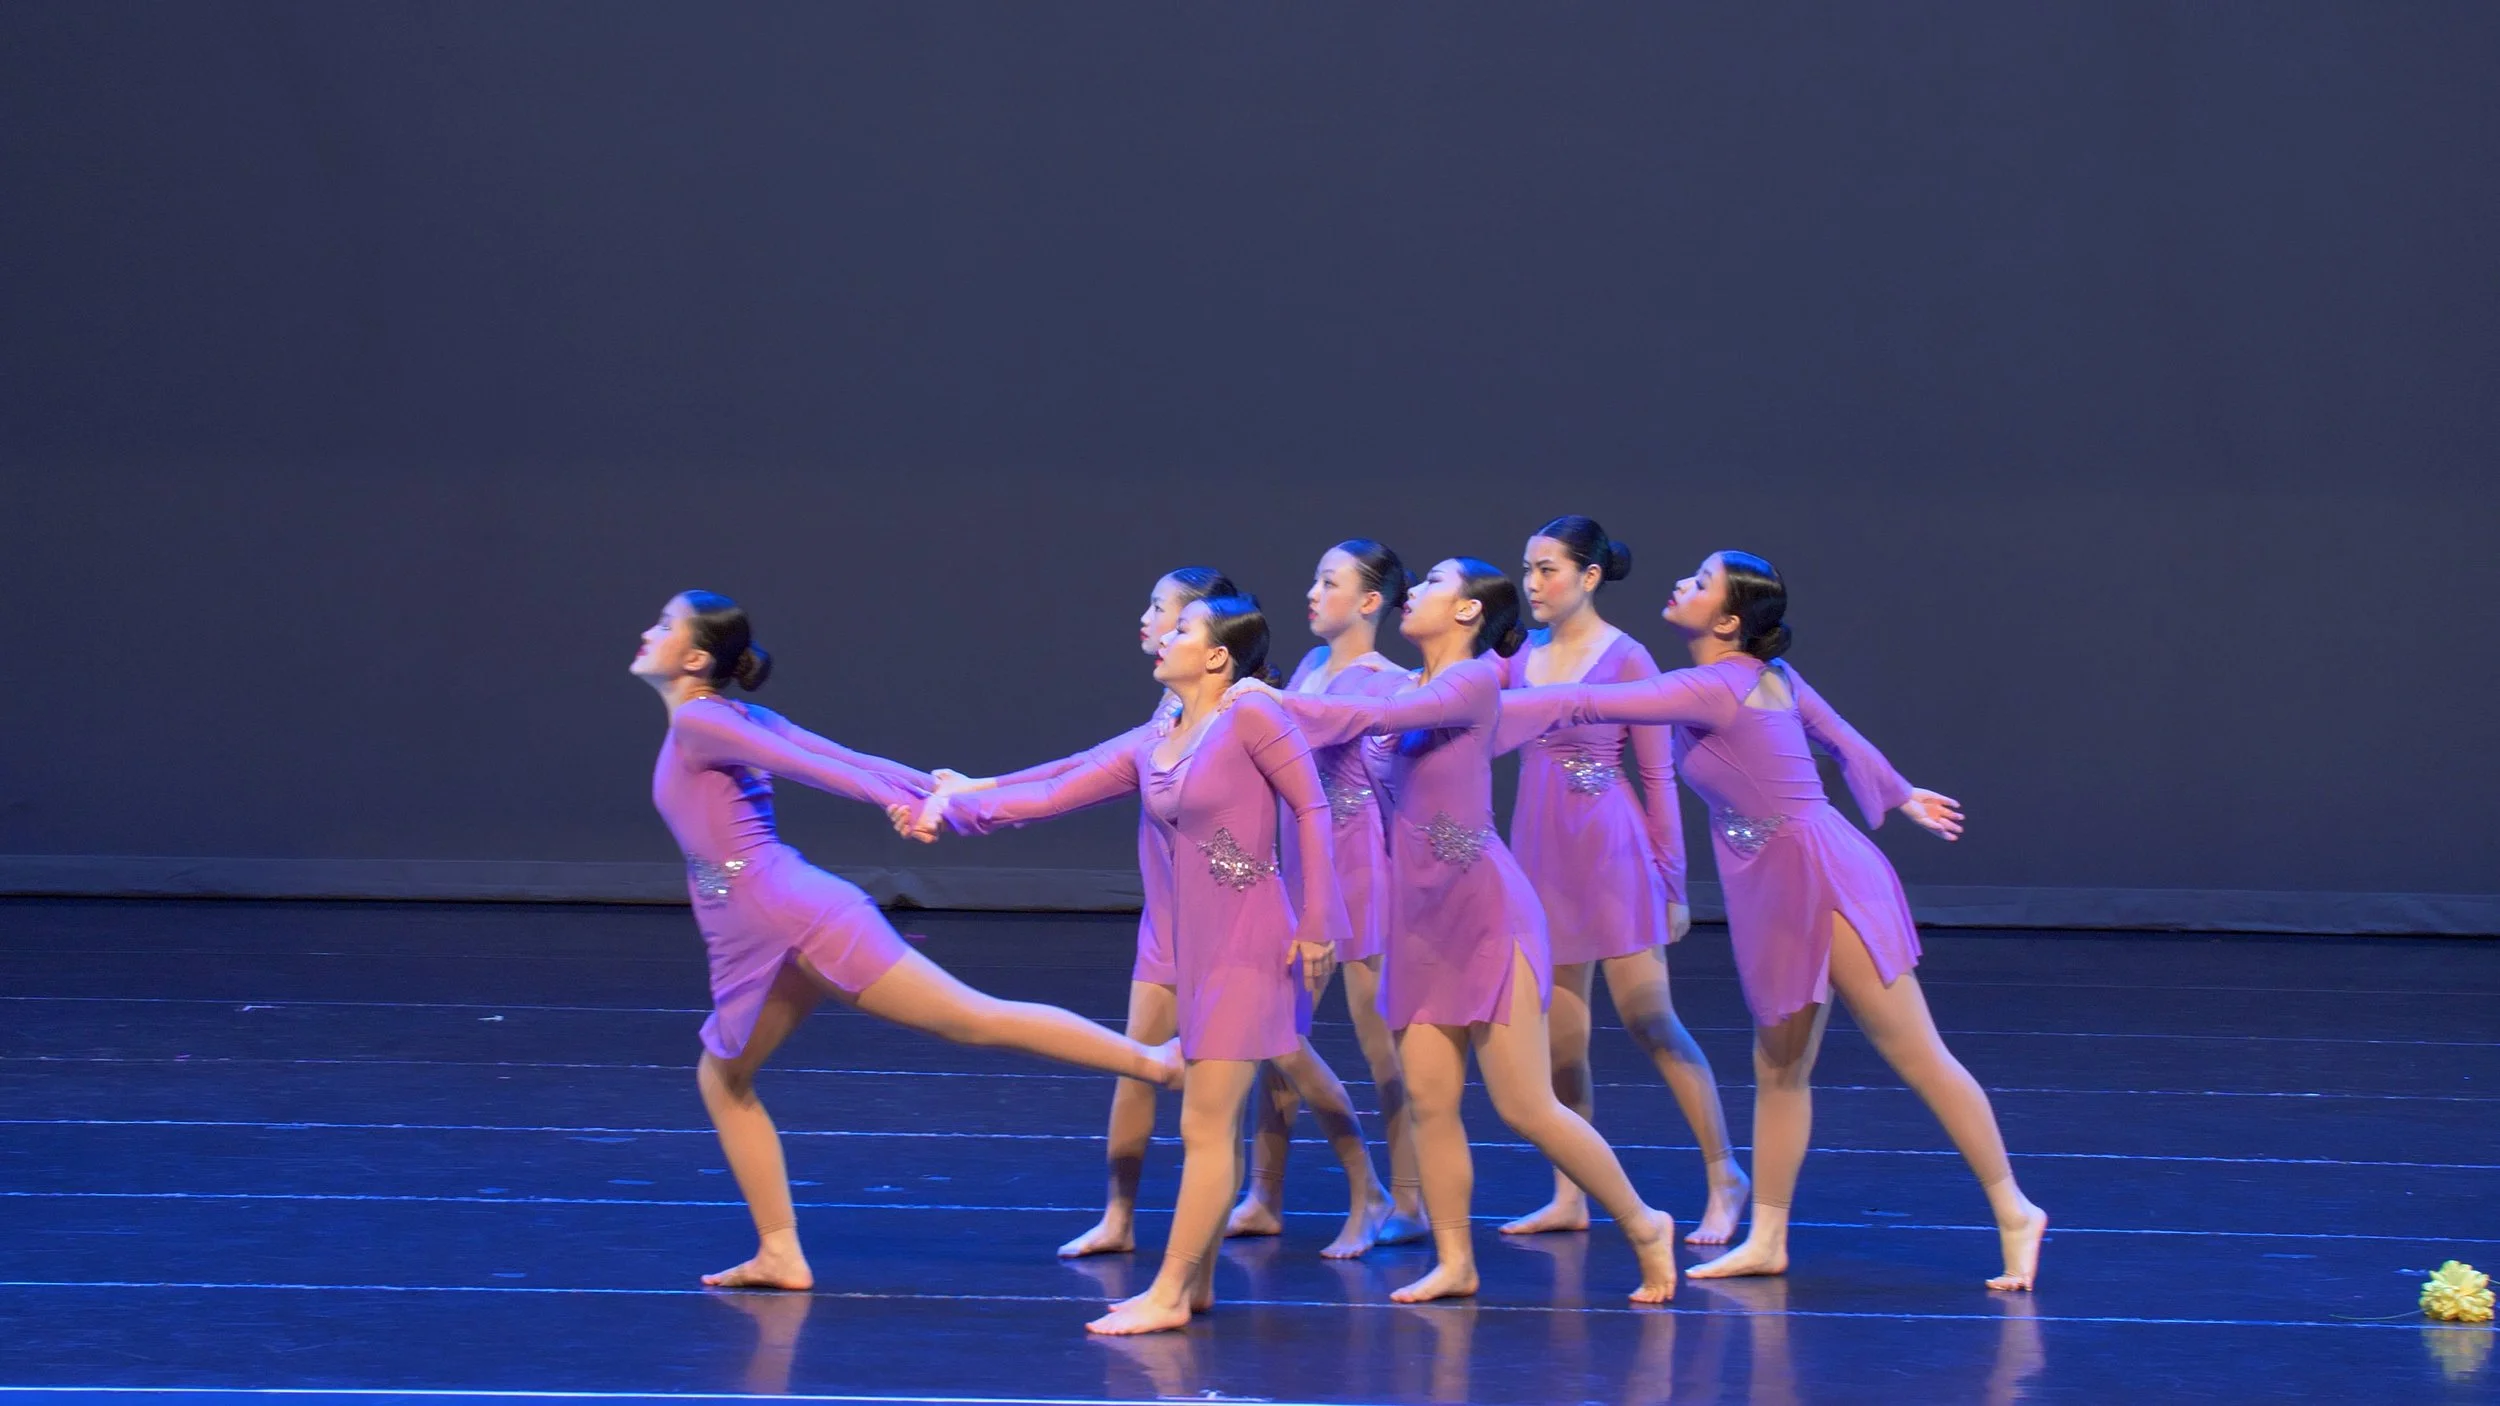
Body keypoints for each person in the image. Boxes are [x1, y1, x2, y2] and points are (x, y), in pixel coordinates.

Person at [1499, 551, 2047, 1291]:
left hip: (1822, 878)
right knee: (1780, 1068)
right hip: (1771, 886)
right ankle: (1767, 1237)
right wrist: (1899, 791)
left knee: (1915, 1052)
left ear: (1727, 621)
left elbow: (1584, 704)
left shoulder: (1715, 685)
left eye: (1700, 582)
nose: (1681, 584)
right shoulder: (1769, 675)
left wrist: (1460, 709)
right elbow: (1841, 737)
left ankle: (2015, 1210)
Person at [631, 590, 1182, 1292]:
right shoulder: (727, 719)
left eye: (664, 625)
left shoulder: (701, 721)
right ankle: (778, 1253)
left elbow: (821, 766)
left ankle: (1159, 1062)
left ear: (695, 658)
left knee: (972, 1018)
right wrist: (931, 791)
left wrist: (913, 798)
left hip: (789, 916)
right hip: (758, 924)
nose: (648, 632)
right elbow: (840, 755)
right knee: (723, 1077)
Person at [1229, 559, 1681, 1305]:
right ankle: (1455, 1260)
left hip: (1487, 915)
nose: (1415, 592)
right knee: (1431, 1100)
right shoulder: (1409, 686)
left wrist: (1271, 698)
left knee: (1524, 1104)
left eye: (1434, 583)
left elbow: (1375, 719)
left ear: (1469, 611)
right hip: (1417, 922)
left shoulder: (1470, 683)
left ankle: (1642, 1222)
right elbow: (1352, 727)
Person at [906, 595, 1348, 1333]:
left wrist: (1319, 923)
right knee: (1206, 1124)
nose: (1165, 635)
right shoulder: (1161, 735)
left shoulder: (1252, 715)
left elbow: (1313, 807)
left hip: (1252, 942)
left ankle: (1171, 1293)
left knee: (1206, 1124)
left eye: (1184, 627)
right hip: (1197, 947)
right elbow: (1058, 789)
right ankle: (1196, 1285)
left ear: (1217, 655)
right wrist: (959, 804)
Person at [1495, 515, 1746, 1244]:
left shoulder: (1628, 657)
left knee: (1650, 1021)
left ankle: (1725, 1174)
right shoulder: (1521, 656)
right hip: (1540, 851)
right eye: (1528, 569)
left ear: (1590, 576)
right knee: (1561, 1039)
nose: (1533, 583)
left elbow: (1658, 777)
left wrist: (1673, 883)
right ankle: (1569, 1193)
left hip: (1611, 852)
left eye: (1547, 569)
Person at [1225, 540, 1428, 1253]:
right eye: (1314, 579)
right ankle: (1264, 1194)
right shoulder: (1313, 665)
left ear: (1370, 602)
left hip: (1360, 869)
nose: (1312, 593)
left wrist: (1264, 697)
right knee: (1279, 1035)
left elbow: (1329, 724)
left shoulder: (1391, 682)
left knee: (1382, 1046)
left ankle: (1408, 1200)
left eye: (1329, 582)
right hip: (1301, 870)